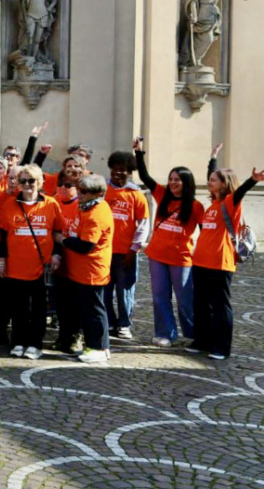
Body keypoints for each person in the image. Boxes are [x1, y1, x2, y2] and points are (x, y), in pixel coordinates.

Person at [133, 139, 205, 347]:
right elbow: (145, 177)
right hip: (157, 256)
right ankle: (166, 333)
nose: (173, 183)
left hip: (181, 259)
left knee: (185, 300)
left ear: (187, 182)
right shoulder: (162, 195)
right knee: (159, 297)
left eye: (178, 180)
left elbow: (205, 232)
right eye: (171, 179)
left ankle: (194, 334)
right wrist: (139, 152)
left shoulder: (195, 206)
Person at [189, 163, 262, 360]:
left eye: (213, 180)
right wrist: (212, 159)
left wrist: (252, 181)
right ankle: (202, 341)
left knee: (220, 305)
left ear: (224, 184)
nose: (209, 182)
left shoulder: (230, 202)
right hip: (201, 262)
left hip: (220, 263)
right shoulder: (212, 205)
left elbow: (240, 193)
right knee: (201, 305)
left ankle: (221, 347)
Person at [0, 164, 64, 359]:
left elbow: (58, 232)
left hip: (41, 267)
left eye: (31, 181)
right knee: (18, 308)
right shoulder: (9, 205)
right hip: (16, 266)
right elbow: (1, 235)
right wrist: (0, 261)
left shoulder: (51, 204)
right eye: (23, 181)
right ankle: (18, 341)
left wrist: (57, 254)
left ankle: (35, 343)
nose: (27, 184)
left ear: (40, 182)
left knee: (39, 308)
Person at [57, 174, 114, 362]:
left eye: (84, 191)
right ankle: (94, 345)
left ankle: (99, 347)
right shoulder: (86, 207)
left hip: (92, 271)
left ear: (97, 193)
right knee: (87, 310)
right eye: (79, 190)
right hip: (80, 271)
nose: (79, 194)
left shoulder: (97, 213)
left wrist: (63, 241)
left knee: (94, 310)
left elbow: (86, 245)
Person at [103, 151, 150, 340]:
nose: (118, 173)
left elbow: (143, 225)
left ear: (129, 172)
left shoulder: (136, 195)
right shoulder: (103, 190)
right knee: (105, 291)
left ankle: (124, 324)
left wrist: (134, 249)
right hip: (104, 252)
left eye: (122, 170)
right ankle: (109, 321)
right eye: (115, 169)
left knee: (125, 291)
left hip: (126, 253)